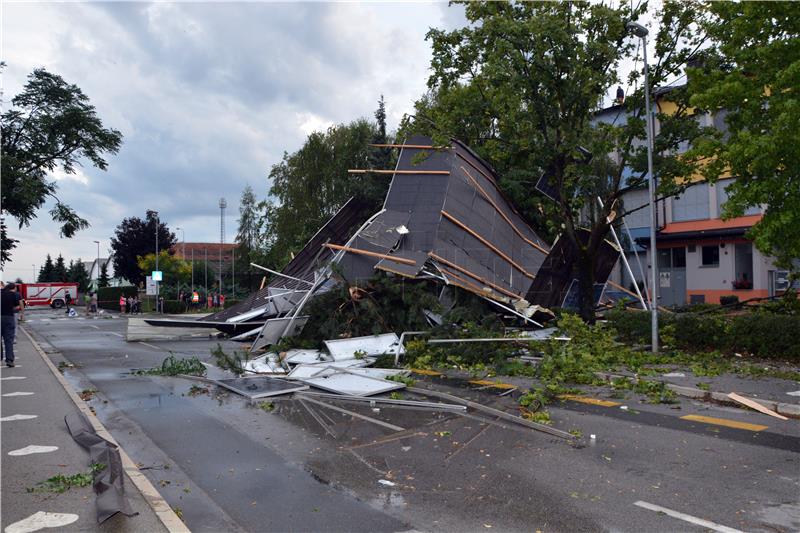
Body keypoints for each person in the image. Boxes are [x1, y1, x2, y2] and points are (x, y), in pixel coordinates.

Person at [1, 283, 21, 367]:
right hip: (9, 318)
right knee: (8, 340)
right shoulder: (13, 295)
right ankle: (9, 360)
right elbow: (17, 307)